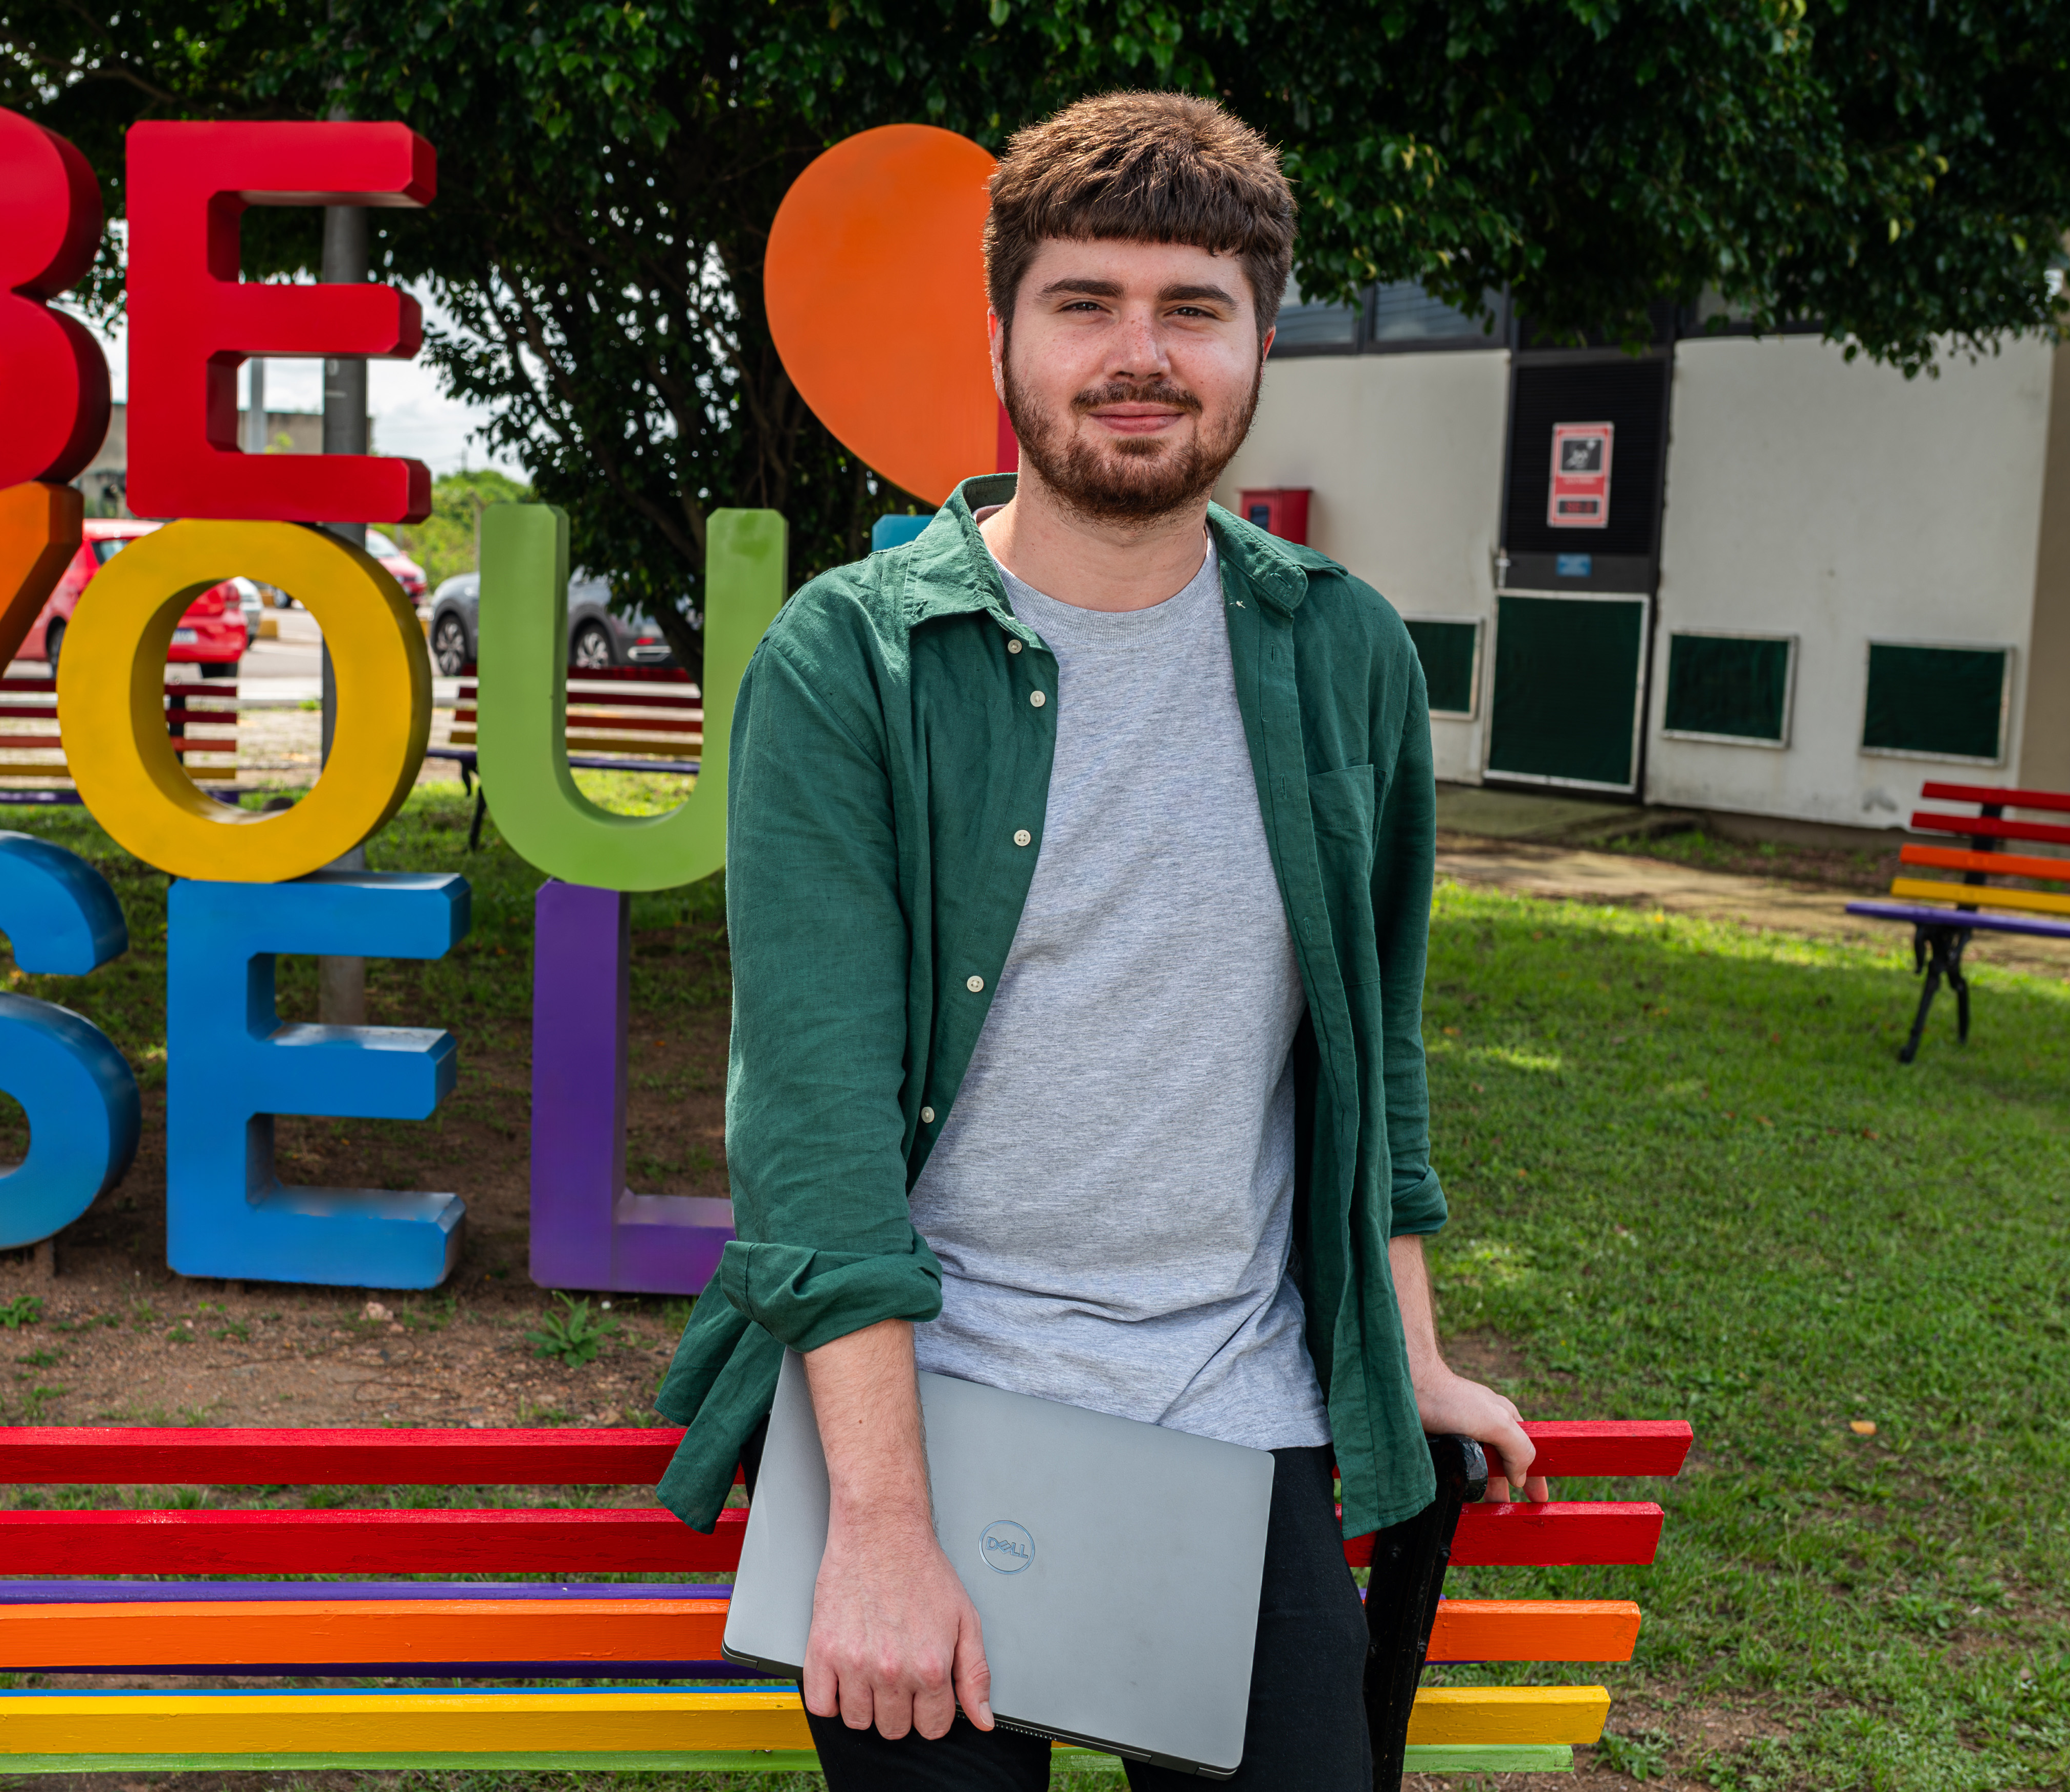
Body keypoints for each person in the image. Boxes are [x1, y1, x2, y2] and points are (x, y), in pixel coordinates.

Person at [651, 90, 1552, 1789]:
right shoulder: (857, 662)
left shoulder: (1341, 650)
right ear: (1002, 336)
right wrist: (883, 1530)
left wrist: (1410, 1351)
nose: (1139, 355)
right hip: (928, 1403)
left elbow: (1378, 1042)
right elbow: (813, 1127)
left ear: (1261, 343)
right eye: (1085, 304)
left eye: (1192, 310)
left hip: (1239, 1404)